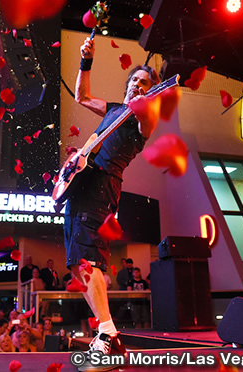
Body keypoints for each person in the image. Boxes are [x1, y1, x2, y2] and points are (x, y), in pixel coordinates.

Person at [63, 36, 162, 365]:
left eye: (145, 82)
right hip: (82, 183)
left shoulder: (142, 119)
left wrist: (146, 102)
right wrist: (85, 61)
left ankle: (106, 333)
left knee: (88, 259)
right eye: (134, 79)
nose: (138, 84)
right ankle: (111, 336)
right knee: (78, 263)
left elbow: (147, 117)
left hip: (103, 185)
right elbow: (82, 96)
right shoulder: (115, 109)